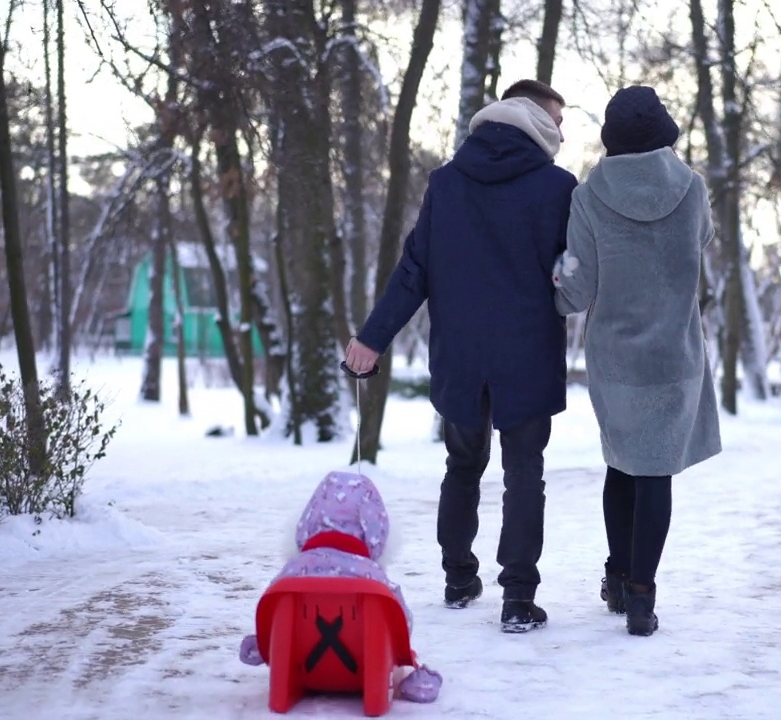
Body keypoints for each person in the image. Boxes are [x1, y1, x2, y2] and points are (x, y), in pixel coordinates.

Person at [343, 79, 577, 634]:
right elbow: (573, 272)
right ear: (534, 117)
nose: (562, 133)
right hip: (529, 355)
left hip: (462, 357)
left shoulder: (446, 184)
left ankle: (457, 578)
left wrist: (371, 338)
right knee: (525, 475)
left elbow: (413, 272)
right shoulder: (558, 187)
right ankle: (518, 599)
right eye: (558, 120)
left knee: (462, 466)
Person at [551, 85, 722, 637]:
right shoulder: (692, 189)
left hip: (616, 359)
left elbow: (577, 289)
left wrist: (556, 285)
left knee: (621, 464)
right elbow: (704, 239)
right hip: (675, 355)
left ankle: (619, 578)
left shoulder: (590, 194)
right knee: (657, 473)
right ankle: (643, 595)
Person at [237, 471, 442, 703]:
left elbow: (270, 617)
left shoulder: (290, 574)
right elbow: (402, 627)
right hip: (363, 673)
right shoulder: (374, 579)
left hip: (303, 670)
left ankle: (282, 696)